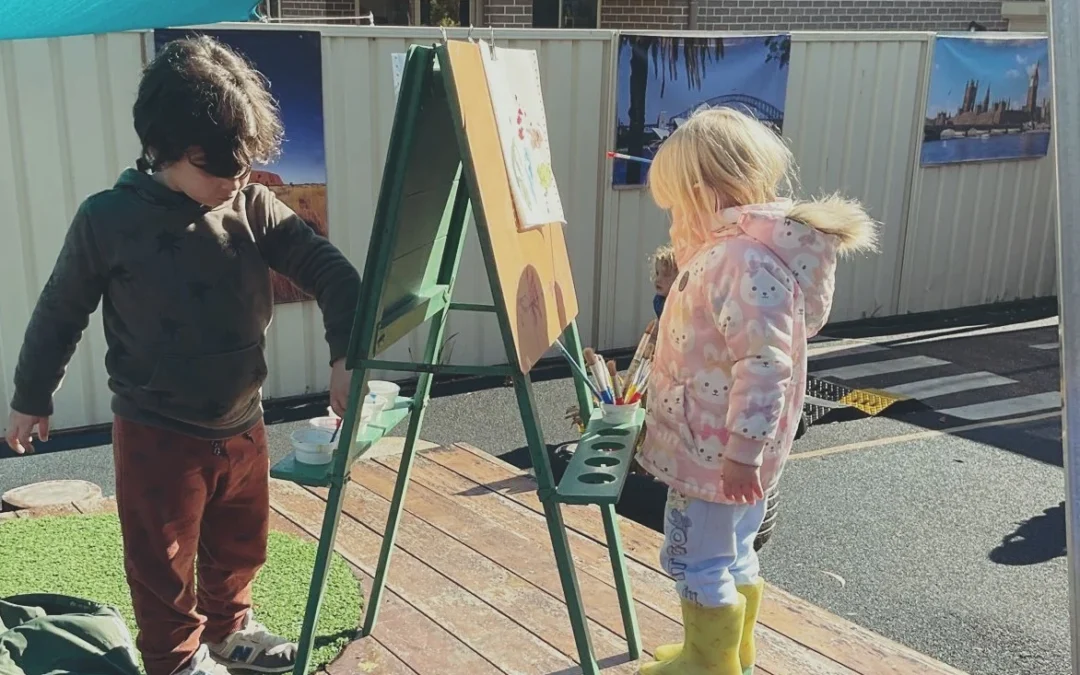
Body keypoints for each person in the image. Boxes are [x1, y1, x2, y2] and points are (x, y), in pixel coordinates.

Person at [3, 36, 362, 675]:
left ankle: (229, 633)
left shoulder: (251, 204)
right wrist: (32, 397)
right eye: (223, 171)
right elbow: (60, 311)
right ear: (177, 151)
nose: (236, 184)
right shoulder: (107, 219)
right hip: (156, 433)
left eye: (245, 170)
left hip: (243, 425)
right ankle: (177, 660)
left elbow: (332, 272)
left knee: (241, 547)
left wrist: (348, 354)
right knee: (161, 561)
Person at [635, 107, 878, 675]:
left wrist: (741, 455)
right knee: (734, 553)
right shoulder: (749, 252)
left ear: (699, 192)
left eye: (674, 209)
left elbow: (766, 364)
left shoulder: (738, 258)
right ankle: (729, 655)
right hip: (730, 453)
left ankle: (708, 663)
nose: (672, 223)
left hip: (717, 456)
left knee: (697, 558)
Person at [650, 244, 678, 318]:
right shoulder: (658, 300)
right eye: (657, 273)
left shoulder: (680, 303)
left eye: (666, 275)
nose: (658, 279)